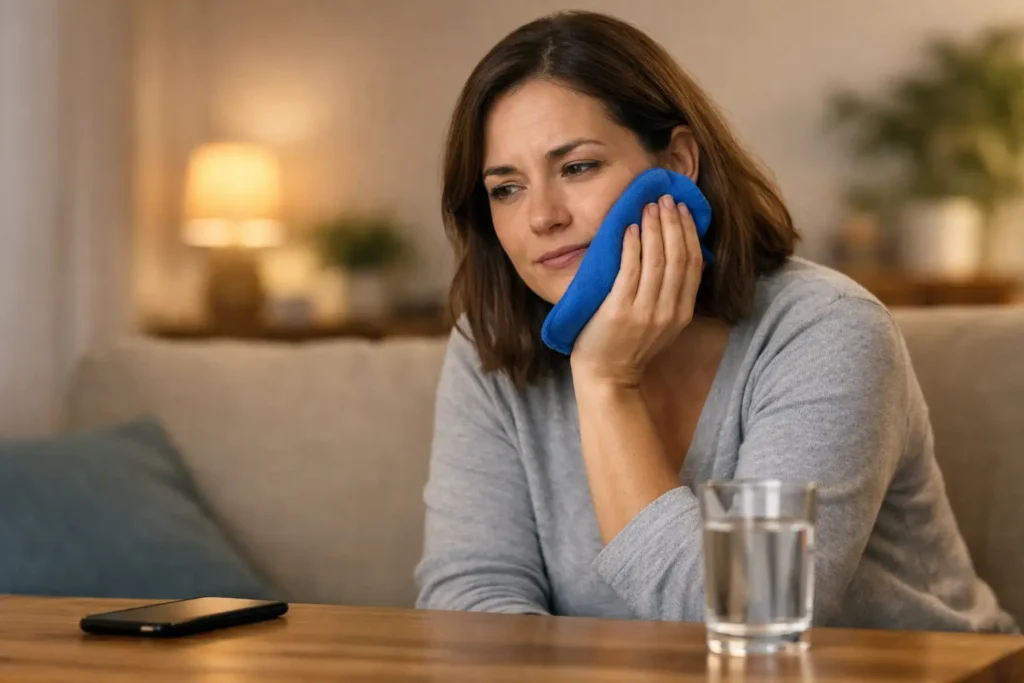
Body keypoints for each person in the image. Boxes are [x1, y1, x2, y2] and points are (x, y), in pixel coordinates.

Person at [414, 10, 1016, 632]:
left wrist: (604, 381)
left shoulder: (828, 331)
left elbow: (754, 615)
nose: (541, 216)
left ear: (676, 162)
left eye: (577, 167)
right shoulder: (485, 343)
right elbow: (471, 599)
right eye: (506, 188)